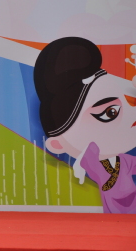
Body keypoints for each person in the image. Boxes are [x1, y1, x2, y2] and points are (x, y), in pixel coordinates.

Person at [35, 37, 136, 214]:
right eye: (110, 113)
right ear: (57, 144)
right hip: (115, 211)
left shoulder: (124, 161)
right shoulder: (94, 161)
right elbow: (91, 151)